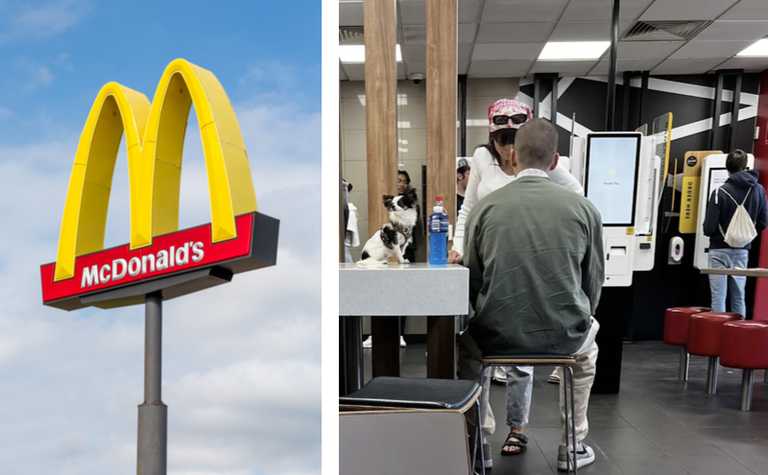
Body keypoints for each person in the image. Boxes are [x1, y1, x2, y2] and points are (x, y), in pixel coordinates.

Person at [459, 118, 604, 471]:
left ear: (514, 158)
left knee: (465, 352)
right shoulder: (583, 208)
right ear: (555, 160)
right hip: (564, 335)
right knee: (587, 355)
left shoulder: (484, 209)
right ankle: (572, 445)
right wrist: (578, 315)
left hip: (497, 336)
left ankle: (480, 439)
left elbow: (473, 278)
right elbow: (593, 281)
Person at [703, 149, 768, 316]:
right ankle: (739, 337)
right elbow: (763, 222)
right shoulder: (758, 190)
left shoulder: (719, 192)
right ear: (745, 166)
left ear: (727, 167)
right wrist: (744, 236)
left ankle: (718, 336)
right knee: (739, 296)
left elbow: (709, 228)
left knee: (718, 297)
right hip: (742, 251)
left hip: (718, 249)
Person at [363, 169, 420, 349]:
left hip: (405, 254)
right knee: (379, 294)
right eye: (397, 180)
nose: (400, 183)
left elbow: (415, 232)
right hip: (386, 254)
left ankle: (400, 334)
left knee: (402, 295)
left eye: (403, 180)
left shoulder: (411, 205)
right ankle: (375, 333)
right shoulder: (393, 205)